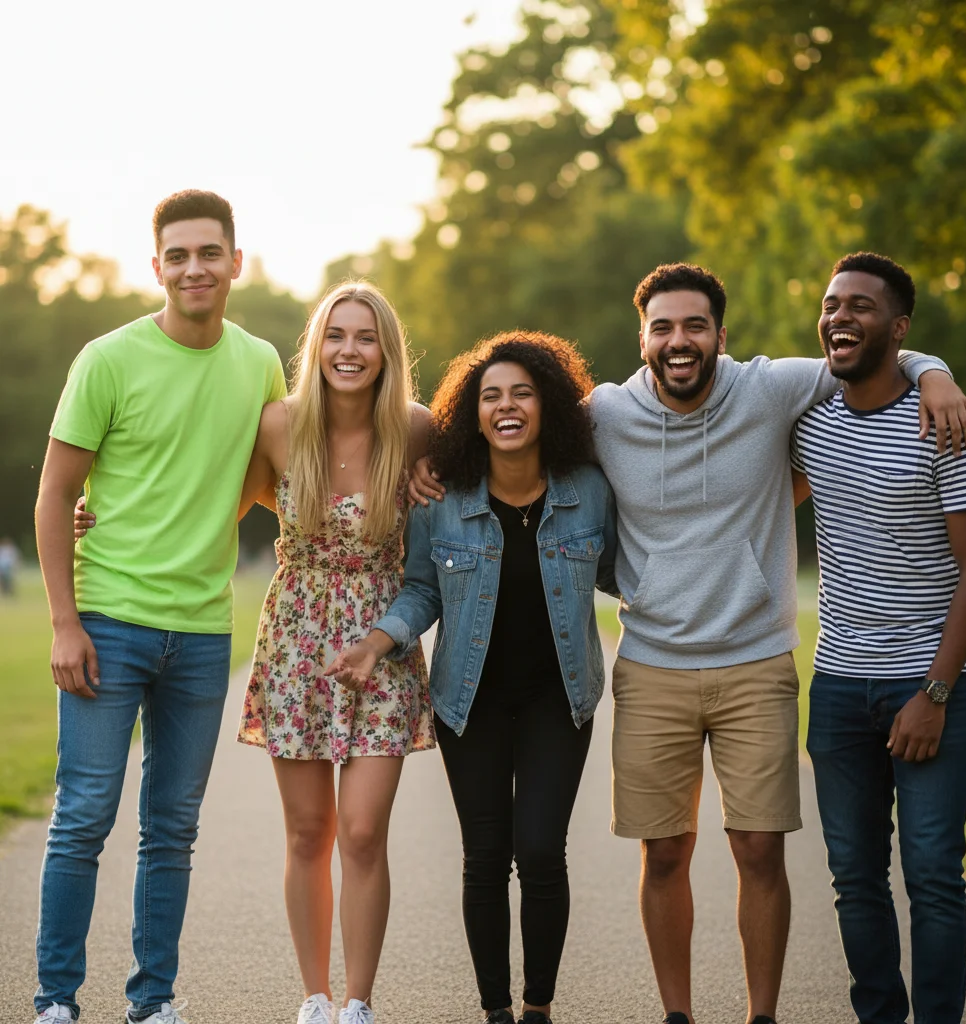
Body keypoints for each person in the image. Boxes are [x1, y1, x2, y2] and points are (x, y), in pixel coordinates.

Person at [408, 262, 966, 1024]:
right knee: (664, 854)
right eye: (663, 327)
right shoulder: (605, 413)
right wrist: (434, 466)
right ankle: (677, 1015)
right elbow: (514, 425)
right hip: (653, 667)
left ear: (721, 335)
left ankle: (761, 1015)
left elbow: (863, 349)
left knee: (758, 852)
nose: (680, 341)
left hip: (756, 664)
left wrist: (933, 371)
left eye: (695, 326)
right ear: (642, 338)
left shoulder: (771, 389)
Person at [33, 191, 286, 1024]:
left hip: (204, 632)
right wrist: (65, 624)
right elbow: (54, 493)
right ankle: (56, 1001)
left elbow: (261, 478)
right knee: (83, 818)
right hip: (108, 623)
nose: (194, 268)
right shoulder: (107, 360)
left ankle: (152, 1002)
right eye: (177, 255)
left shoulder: (259, 364)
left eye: (209, 252)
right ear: (156, 268)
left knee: (171, 830)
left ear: (235, 262)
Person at [331, 332, 617, 1024]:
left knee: (542, 851)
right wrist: (378, 640)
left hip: (560, 698)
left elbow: (624, 571)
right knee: (486, 857)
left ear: (547, 405)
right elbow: (421, 590)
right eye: (491, 396)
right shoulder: (444, 499)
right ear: (475, 413)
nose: (507, 406)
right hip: (470, 701)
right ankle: (495, 1011)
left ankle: (537, 1007)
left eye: (522, 393)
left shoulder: (589, 491)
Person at [791, 253, 966, 1024]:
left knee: (935, 873)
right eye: (831, 304)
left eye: (862, 307)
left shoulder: (948, 424)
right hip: (840, 683)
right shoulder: (809, 418)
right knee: (853, 874)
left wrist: (935, 694)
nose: (840, 317)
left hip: (932, 681)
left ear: (899, 328)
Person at [235, 281, 435, 1024]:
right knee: (308, 831)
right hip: (296, 641)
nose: (350, 351)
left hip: (380, 643)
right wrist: (99, 509)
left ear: (387, 352)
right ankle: (315, 996)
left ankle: (359, 1002)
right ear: (316, 346)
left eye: (366, 337)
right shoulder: (278, 426)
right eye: (337, 335)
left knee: (361, 829)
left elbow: (486, 479)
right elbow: (212, 496)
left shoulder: (416, 429)